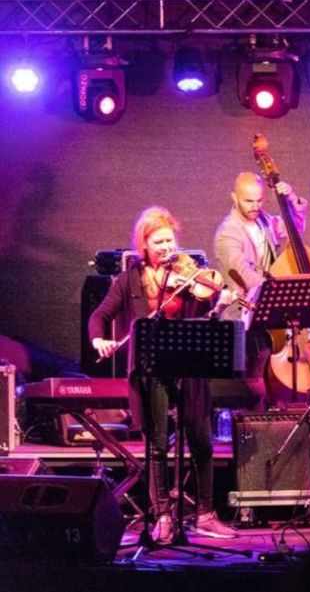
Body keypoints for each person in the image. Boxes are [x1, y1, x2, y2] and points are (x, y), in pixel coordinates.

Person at [88, 206, 237, 543]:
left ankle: (205, 515)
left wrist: (219, 305)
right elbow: (100, 315)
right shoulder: (129, 280)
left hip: (189, 366)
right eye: (159, 242)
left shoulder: (190, 274)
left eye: (170, 240)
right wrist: (99, 339)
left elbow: (208, 314)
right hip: (151, 368)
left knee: (201, 441)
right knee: (156, 446)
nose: (167, 247)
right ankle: (163, 516)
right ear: (144, 244)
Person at [214, 171, 309, 406]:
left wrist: (290, 200)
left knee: (267, 373)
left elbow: (294, 229)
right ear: (234, 197)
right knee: (253, 377)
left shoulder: (263, 220)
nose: (255, 206)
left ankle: (272, 411)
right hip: (243, 315)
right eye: (249, 201)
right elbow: (244, 274)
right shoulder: (228, 233)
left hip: (265, 309)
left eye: (259, 200)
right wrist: (280, 295)